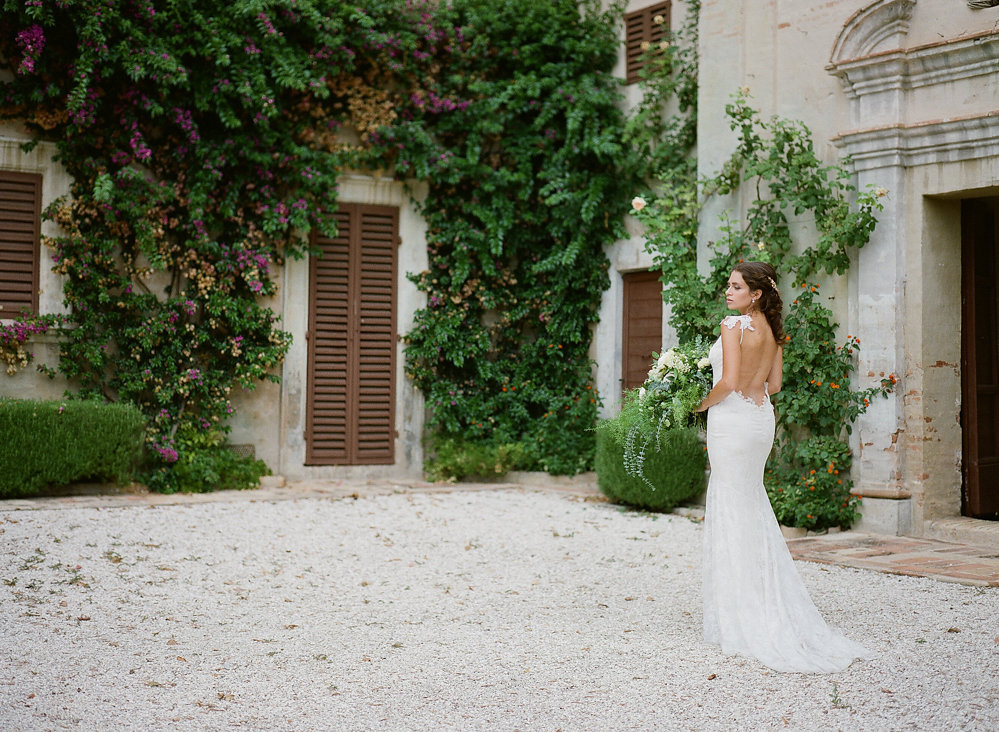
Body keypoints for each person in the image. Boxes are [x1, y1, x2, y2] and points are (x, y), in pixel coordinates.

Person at [693, 261, 871, 673]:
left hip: (733, 420)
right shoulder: (773, 332)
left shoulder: (732, 326)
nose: (728, 291)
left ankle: (741, 612)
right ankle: (761, 601)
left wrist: (694, 406)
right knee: (750, 501)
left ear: (755, 293)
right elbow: (772, 386)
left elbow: (729, 383)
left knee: (731, 503)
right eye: (729, 285)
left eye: (736, 286)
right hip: (759, 420)